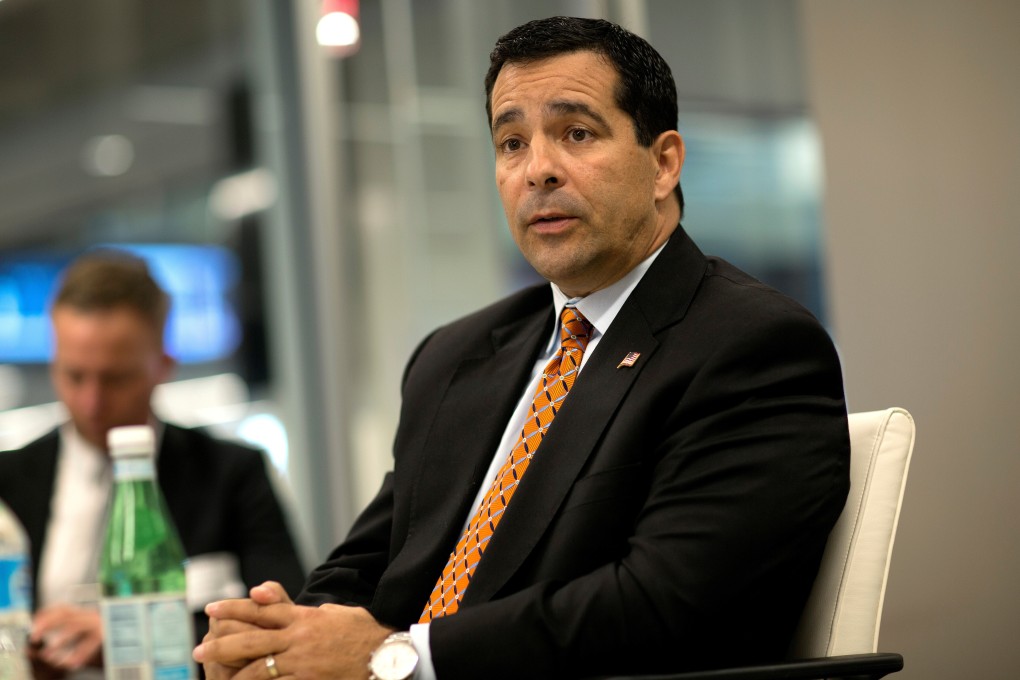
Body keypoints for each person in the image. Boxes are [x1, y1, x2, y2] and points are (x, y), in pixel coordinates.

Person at [195, 16, 850, 680]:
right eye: (511, 143)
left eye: (577, 133)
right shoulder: (456, 355)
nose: (537, 169)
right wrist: (279, 643)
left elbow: (665, 605)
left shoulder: (751, 346)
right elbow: (371, 563)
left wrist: (395, 658)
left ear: (663, 162)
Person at [0, 250, 306, 678]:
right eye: (74, 375)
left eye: (115, 378)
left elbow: (286, 618)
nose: (91, 401)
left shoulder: (231, 474)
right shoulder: (7, 483)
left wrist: (135, 638)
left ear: (163, 365)